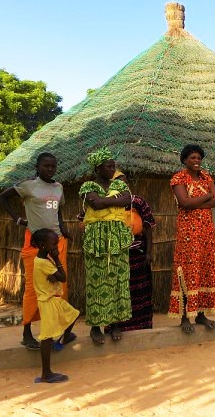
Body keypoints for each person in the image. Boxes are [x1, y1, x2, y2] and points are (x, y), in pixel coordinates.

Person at [0, 152, 69, 350]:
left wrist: (62, 227)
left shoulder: (58, 187)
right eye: (46, 165)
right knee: (32, 288)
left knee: (58, 287)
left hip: (58, 242)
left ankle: (57, 331)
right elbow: (2, 197)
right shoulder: (28, 186)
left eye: (53, 166)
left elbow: (58, 210)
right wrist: (18, 219)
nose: (50, 169)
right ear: (37, 167)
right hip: (36, 243)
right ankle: (27, 332)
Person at [79, 148, 133, 345]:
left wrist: (106, 201)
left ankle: (115, 324)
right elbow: (96, 205)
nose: (112, 169)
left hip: (118, 237)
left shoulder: (119, 183)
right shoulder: (87, 186)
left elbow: (128, 200)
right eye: (108, 166)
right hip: (97, 239)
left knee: (119, 280)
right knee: (97, 281)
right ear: (97, 168)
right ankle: (95, 327)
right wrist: (114, 200)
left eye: (113, 166)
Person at [169, 144, 215, 333]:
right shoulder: (179, 178)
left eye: (199, 158)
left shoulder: (207, 177)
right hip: (188, 235)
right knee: (187, 270)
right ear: (184, 160)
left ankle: (200, 314)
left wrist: (196, 203)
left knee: (204, 269)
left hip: (206, 233)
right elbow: (184, 203)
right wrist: (207, 195)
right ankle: (185, 317)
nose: (197, 161)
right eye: (193, 157)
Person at [31, 229, 79, 384]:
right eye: (53, 244)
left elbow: (57, 277)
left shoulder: (44, 259)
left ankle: (66, 337)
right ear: (42, 245)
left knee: (73, 314)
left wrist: (55, 275)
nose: (56, 248)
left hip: (54, 299)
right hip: (48, 302)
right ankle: (46, 374)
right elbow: (63, 277)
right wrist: (57, 260)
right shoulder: (44, 262)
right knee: (46, 337)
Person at [112, 170, 156, 331]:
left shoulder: (137, 202)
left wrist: (149, 252)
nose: (120, 185)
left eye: (123, 182)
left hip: (137, 254)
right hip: (115, 255)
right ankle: (118, 326)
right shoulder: (107, 203)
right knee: (119, 291)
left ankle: (142, 326)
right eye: (116, 182)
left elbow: (148, 227)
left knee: (140, 291)